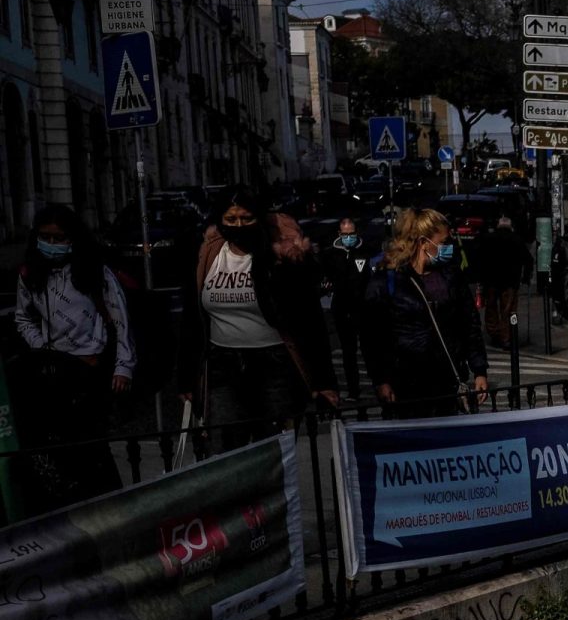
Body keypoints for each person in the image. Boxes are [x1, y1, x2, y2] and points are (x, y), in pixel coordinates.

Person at [180, 185, 337, 450]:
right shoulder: (209, 253)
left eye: (246, 218)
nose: (238, 225)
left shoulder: (276, 255)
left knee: (273, 453)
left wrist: (324, 381)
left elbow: (309, 318)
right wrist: (186, 378)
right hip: (223, 366)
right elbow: (193, 319)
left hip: (275, 365)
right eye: (231, 219)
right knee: (226, 451)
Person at [11, 204, 134, 513]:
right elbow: (22, 318)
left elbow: (120, 318)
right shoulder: (30, 274)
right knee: (60, 447)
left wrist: (122, 366)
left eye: (59, 237)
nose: (52, 244)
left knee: (92, 446)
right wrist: (41, 348)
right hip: (53, 371)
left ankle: (108, 508)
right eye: (45, 237)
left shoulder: (94, 271)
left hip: (90, 368)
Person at [359, 208, 489, 418]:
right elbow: (373, 337)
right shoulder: (388, 281)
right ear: (423, 242)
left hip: (447, 381)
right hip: (407, 385)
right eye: (443, 242)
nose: (448, 248)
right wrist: (381, 380)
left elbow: (469, 323)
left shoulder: (450, 275)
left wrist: (479, 369)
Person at [318, 217, 370, 399]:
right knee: (348, 351)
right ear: (339, 234)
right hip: (341, 307)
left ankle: (381, 386)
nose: (349, 237)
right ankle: (353, 391)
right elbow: (323, 278)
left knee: (369, 349)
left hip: (363, 307)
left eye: (352, 234)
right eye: (345, 234)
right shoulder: (330, 254)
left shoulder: (365, 250)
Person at [476, 216, 531, 349]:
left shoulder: (488, 239)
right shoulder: (517, 239)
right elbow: (528, 260)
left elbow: (479, 258)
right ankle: (506, 338)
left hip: (491, 280)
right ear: (510, 226)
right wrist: (526, 278)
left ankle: (494, 333)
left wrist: (480, 278)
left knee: (491, 308)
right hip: (510, 281)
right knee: (508, 310)